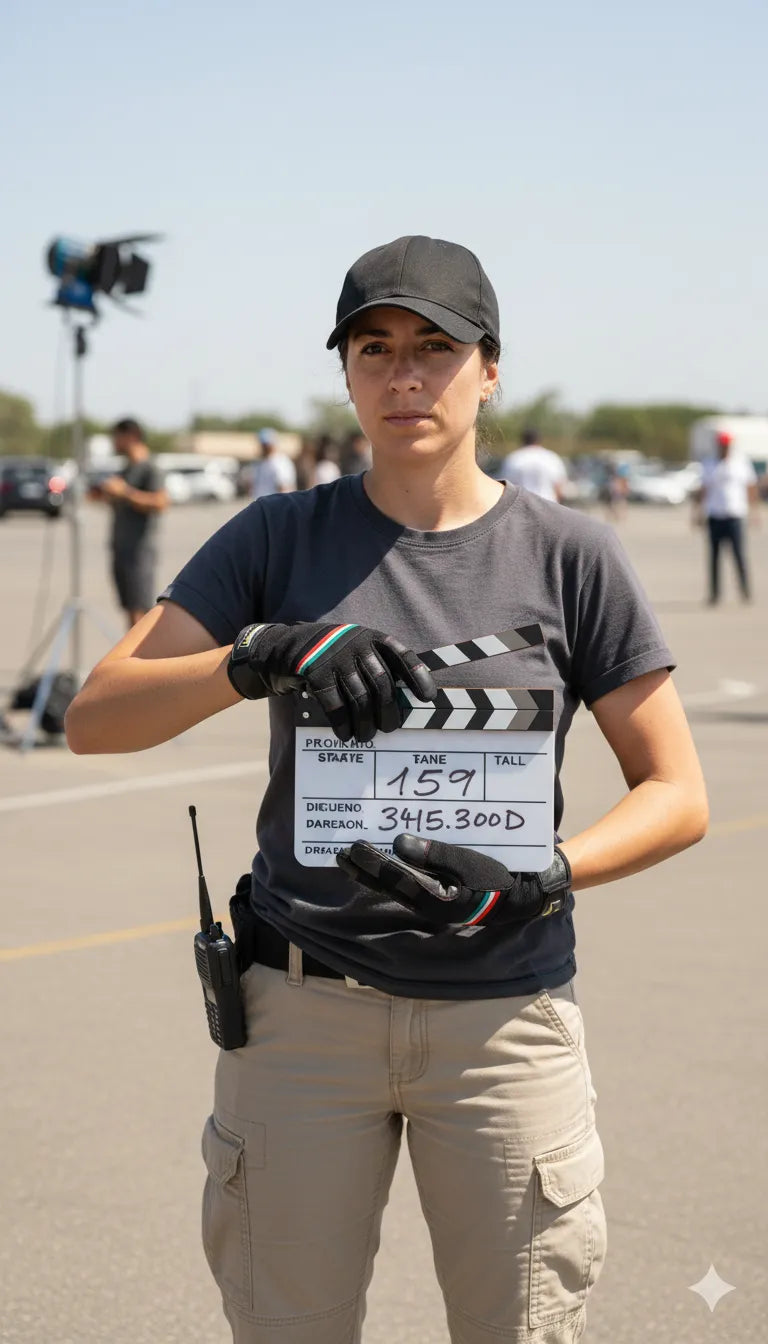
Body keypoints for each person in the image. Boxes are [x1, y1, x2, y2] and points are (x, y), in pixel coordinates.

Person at [64, 234, 708, 1344]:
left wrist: (546, 876)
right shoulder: (275, 536)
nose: (404, 375)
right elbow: (96, 718)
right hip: (300, 1017)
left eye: (434, 348)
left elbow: (677, 791)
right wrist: (251, 656)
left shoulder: (573, 554)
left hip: (505, 1024)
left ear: (489, 369)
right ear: (349, 374)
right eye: (375, 349)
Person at [92, 418, 168, 629]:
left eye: (116, 437)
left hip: (139, 551)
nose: (113, 442)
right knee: (129, 609)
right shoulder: (126, 469)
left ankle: (141, 651)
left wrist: (125, 492)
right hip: (122, 549)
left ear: (131, 436)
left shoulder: (149, 468)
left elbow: (160, 502)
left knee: (139, 610)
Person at [693, 431, 759, 603]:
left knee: (739, 555)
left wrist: (755, 512)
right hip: (715, 516)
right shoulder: (709, 463)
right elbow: (703, 489)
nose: (725, 448)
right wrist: (697, 512)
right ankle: (715, 594)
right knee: (714, 557)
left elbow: (751, 488)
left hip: (735, 515)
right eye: (722, 445)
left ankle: (745, 591)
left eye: (727, 445)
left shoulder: (741, 463)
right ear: (718, 446)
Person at [501, 428, 568, 503]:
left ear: (522, 440)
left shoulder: (514, 458)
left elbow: (506, 487)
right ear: (539, 440)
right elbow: (559, 487)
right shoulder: (551, 457)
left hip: (522, 505)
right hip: (548, 504)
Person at [250, 428, 297, 499]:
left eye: (267, 445)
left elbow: (285, 488)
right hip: (261, 503)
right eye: (263, 444)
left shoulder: (281, 462)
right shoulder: (260, 462)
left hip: (274, 504)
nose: (265, 447)